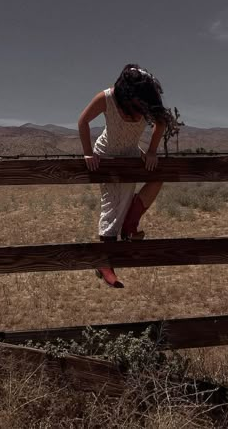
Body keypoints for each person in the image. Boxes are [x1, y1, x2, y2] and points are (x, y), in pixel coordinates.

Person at [78, 63, 177, 288]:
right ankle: (105, 263)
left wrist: (151, 151)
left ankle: (130, 223)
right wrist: (87, 153)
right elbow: (83, 121)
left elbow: (161, 122)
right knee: (112, 204)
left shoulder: (147, 100)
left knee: (158, 176)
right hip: (107, 156)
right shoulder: (107, 98)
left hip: (132, 155)